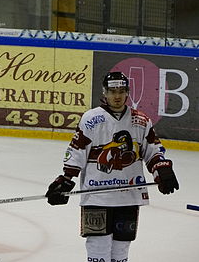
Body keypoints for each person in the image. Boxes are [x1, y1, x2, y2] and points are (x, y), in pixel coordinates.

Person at [45, 71, 179, 262]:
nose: (117, 96)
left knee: (121, 251)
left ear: (128, 93)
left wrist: (162, 169)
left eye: (122, 91)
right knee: (98, 249)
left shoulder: (141, 120)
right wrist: (65, 179)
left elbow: (153, 151)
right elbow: (77, 151)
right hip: (97, 196)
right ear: (104, 92)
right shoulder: (91, 118)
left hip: (128, 195)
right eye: (112, 91)